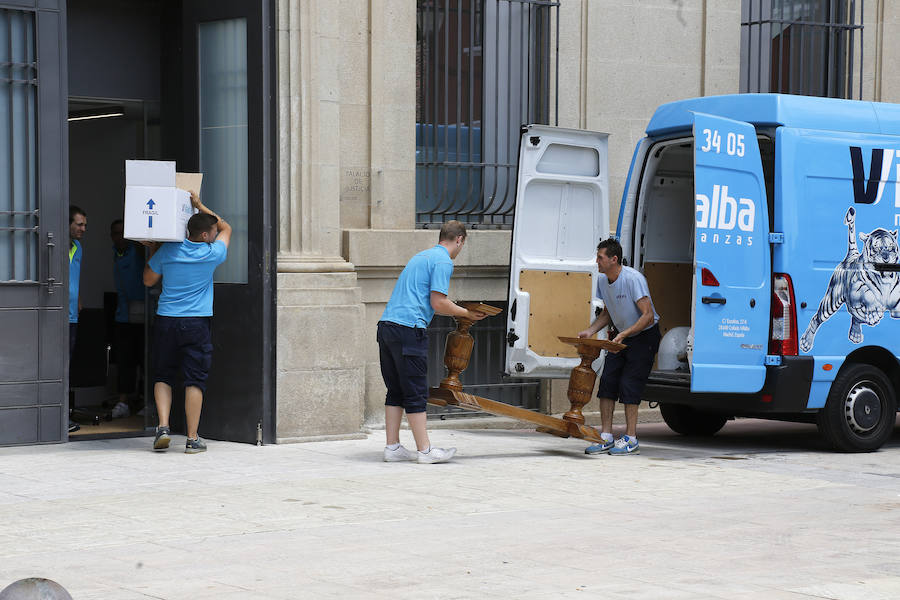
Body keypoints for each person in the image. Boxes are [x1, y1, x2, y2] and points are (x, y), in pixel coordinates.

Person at [378, 220, 486, 464]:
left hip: (386, 327)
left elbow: (428, 302)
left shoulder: (421, 256)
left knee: (395, 390)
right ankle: (425, 450)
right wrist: (467, 314)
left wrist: (456, 310)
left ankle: (392, 447)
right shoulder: (443, 261)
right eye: (462, 244)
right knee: (415, 390)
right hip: (409, 330)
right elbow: (438, 303)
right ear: (459, 240)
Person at [143, 191, 231, 454]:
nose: (216, 234)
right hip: (196, 323)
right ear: (204, 235)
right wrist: (199, 205)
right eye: (211, 232)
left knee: (163, 374)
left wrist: (155, 250)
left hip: (167, 320)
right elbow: (227, 226)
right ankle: (192, 439)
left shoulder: (169, 250)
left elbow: (148, 280)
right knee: (195, 379)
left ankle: (163, 427)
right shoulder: (212, 254)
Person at [579, 238, 660, 456]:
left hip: (644, 336)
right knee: (607, 381)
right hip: (621, 336)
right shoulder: (603, 281)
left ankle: (631, 438)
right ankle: (606, 436)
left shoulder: (633, 279)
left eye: (600, 257)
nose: (596, 261)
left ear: (614, 259)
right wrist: (590, 330)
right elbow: (608, 312)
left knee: (629, 383)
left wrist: (625, 333)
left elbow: (648, 315)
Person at [110, 219, 146, 418]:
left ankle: (146, 400)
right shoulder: (116, 252)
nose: (120, 237)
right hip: (123, 315)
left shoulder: (138, 249)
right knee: (124, 360)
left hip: (143, 314)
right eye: (115, 233)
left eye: (123, 232)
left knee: (145, 359)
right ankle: (123, 402)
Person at [68, 206, 87, 433]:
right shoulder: (55, 245)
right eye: (79, 224)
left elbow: (73, 278)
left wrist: (79, 297)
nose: (83, 229)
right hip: (56, 315)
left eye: (85, 225)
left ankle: (66, 416)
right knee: (58, 366)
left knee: (67, 365)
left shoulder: (78, 247)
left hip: (73, 314)